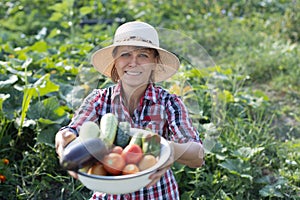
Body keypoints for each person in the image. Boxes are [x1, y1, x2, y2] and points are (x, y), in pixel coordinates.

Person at [55, 21, 204, 200]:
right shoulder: (99, 100)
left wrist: (171, 149)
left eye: (143, 55)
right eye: (125, 54)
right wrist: (63, 139)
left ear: (154, 63)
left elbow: (197, 154)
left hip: (158, 194)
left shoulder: (169, 103)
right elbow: (72, 131)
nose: (133, 62)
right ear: (115, 62)